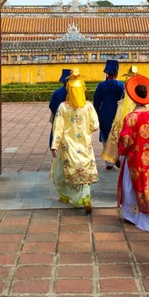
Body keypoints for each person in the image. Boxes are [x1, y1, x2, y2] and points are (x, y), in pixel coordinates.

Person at [115, 73, 149, 232]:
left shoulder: (131, 117)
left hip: (135, 159)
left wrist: (121, 152)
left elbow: (125, 139)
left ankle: (135, 215)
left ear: (133, 97)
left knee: (131, 187)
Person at [51, 71, 100, 214]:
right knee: (84, 170)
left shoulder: (62, 108)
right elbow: (95, 125)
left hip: (68, 145)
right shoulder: (88, 106)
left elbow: (58, 128)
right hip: (84, 144)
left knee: (65, 170)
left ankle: (66, 196)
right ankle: (85, 197)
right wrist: (86, 130)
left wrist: (54, 145)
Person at [102, 65, 140, 168]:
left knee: (117, 132)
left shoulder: (103, 85)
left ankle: (114, 159)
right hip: (136, 107)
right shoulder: (131, 83)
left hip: (119, 109)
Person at [93, 59, 125, 169]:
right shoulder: (120, 85)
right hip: (118, 112)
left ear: (106, 73)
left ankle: (109, 162)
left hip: (104, 113)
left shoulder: (101, 86)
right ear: (116, 73)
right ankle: (117, 157)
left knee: (105, 136)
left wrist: (97, 113)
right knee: (117, 135)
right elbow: (124, 100)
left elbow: (96, 101)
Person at [48, 68, 71, 150]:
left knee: (56, 131)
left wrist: (56, 112)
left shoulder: (57, 92)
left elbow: (51, 105)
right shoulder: (75, 92)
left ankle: (54, 147)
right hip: (70, 119)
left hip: (58, 117)